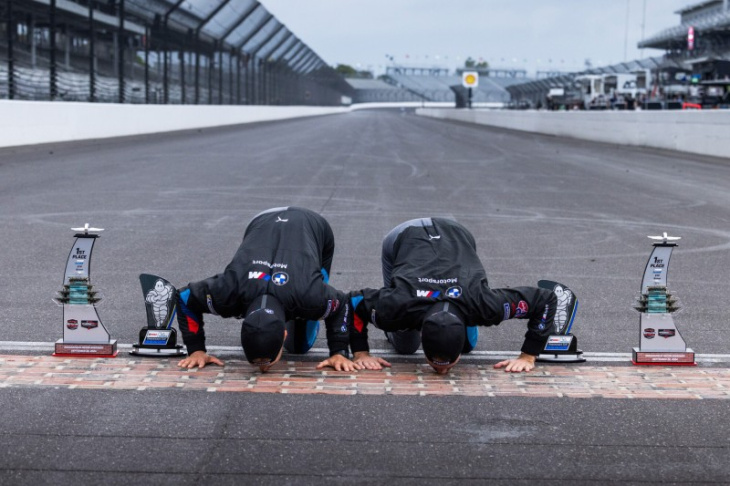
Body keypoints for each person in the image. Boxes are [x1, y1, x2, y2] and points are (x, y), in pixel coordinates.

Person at [348, 218, 559, 374]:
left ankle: (461, 319)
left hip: (456, 236)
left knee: (468, 343)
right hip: (403, 237)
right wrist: (361, 353)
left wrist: (528, 356)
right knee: (406, 345)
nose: (442, 373)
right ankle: (453, 318)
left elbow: (546, 300)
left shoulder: (485, 304)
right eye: (435, 365)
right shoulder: (397, 305)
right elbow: (354, 302)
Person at [175, 207, 357, 372]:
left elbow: (342, 304)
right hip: (260, 225)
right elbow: (184, 297)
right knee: (300, 330)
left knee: (299, 346)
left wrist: (339, 351)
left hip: (310, 223)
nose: (264, 369)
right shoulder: (229, 291)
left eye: (267, 361)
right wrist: (196, 350)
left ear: (284, 334)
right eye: (256, 363)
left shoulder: (308, 294)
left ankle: (303, 317)